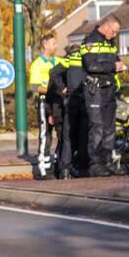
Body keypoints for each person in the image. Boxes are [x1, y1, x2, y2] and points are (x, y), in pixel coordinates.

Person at [81, 14, 126, 177]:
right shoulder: (90, 40)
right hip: (96, 90)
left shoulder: (110, 42)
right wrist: (113, 66)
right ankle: (95, 163)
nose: (115, 35)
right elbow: (91, 65)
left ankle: (107, 161)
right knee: (97, 127)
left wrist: (119, 64)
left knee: (109, 128)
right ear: (106, 26)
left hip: (109, 89)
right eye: (114, 32)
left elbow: (115, 59)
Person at [28, 33, 61, 180]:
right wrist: (53, 90)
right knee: (45, 134)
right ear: (45, 45)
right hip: (44, 102)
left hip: (56, 102)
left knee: (60, 133)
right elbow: (35, 86)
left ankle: (56, 166)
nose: (56, 46)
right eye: (53, 43)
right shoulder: (37, 64)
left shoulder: (57, 61)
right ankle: (43, 169)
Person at [54, 41, 89, 179]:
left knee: (68, 136)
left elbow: (54, 72)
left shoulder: (69, 59)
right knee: (83, 135)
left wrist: (62, 88)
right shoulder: (87, 58)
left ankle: (65, 170)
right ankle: (80, 167)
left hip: (71, 98)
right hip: (84, 98)